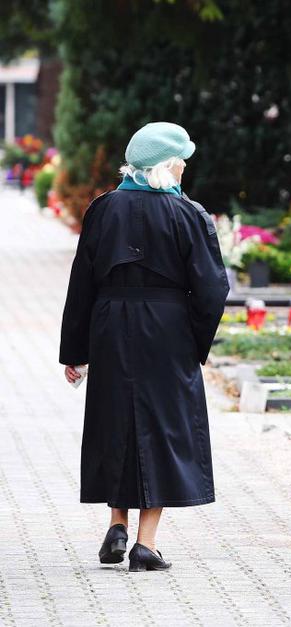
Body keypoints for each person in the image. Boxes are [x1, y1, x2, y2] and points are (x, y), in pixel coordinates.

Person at [59, 122, 229, 572]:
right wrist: (194, 341)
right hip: (168, 329)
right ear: (167, 165)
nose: (184, 169)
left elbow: (82, 282)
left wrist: (75, 351)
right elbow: (212, 288)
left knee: (114, 419)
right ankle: (145, 544)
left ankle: (116, 523)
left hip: (110, 324)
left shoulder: (103, 209)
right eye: (181, 162)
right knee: (162, 426)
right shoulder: (188, 214)